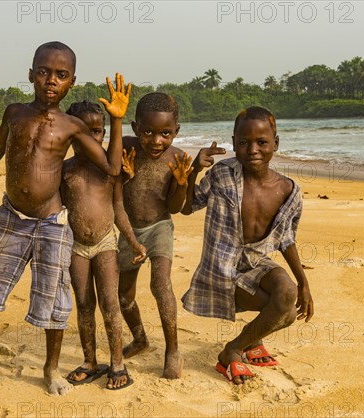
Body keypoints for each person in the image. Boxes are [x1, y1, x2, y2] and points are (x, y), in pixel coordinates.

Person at [0, 41, 131, 395]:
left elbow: (112, 167)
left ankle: (51, 369)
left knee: (54, 301)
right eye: (43, 72)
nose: (50, 80)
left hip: (51, 222)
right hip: (11, 216)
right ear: (30, 75)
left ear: (72, 81)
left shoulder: (71, 126)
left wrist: (116, 121)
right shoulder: (14, 113)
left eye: (61, 75)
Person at [181, 106, 314, 385]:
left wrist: (304, 282)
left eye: (262, 142)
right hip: (222, 269)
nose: (253, 149)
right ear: (234, 143)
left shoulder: (288, 190)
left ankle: (244, 344)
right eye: (244, 143)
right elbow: (187, 205)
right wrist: (193, 171)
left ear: (275, 144)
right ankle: (236, 349)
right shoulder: (222, 175)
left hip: (256, 262)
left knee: (288, 293)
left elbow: (286, 238)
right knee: (285, 311)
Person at [117, 92, 226, 379]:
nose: (156, 141)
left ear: (176, 131)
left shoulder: (178, 158)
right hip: (128, 229)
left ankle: (172, 350)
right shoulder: (124, 148)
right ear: (135, 128)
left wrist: (188, 177)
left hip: (159, 226)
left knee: (160, 284)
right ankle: (140, 339)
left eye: (165, 133)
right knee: (123, 296)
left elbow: (176, 208)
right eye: (148, 132)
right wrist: (121, 175)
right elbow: (109, 179)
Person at [60, 100, 146, 390]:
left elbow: (119, 209)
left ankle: (118, 363)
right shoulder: (64, 169)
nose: (92, 139)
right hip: (75, 245)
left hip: (106, 242)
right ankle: (90, 362)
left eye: (98, 132)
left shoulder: (111, 170)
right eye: (83, 132)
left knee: (110, 304)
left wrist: (133, 241)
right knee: (84, 304)